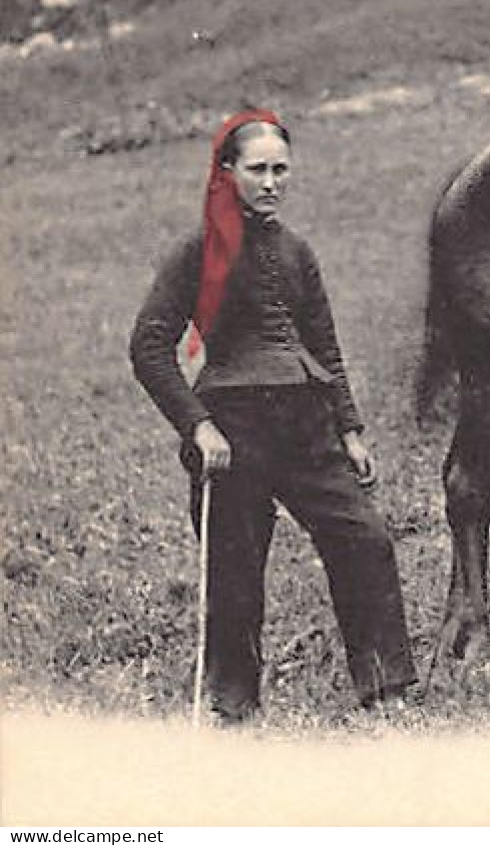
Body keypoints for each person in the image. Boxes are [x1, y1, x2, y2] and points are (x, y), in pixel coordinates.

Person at [130, 109, 417, 721]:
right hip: (234, 430)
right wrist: (197, 425)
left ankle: (385, 689)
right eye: (256, 169)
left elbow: (325, 347)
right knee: (235, 573)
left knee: (365, 539)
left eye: (281, 170)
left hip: (308, 426)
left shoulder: (297, 250)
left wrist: (351, 428)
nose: (270, 182)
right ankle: (235, 708)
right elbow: (148, 346)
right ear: (227, 171)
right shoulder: (196, 252)